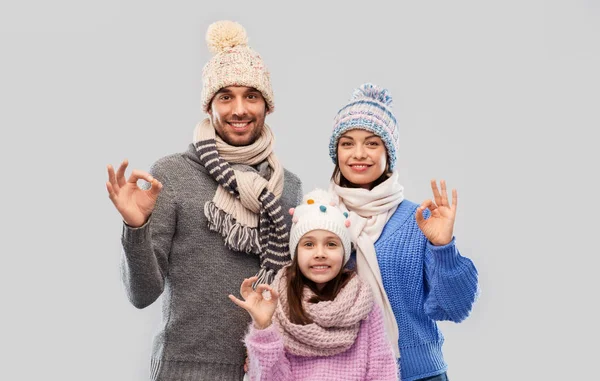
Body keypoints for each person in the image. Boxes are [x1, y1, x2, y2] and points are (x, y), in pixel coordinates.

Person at [105, 20, 302, 380]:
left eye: (251, 96)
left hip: (266, 369)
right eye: (225, 96)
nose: (239, 109)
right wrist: (137, 227)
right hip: (184, 371)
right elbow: (142, 294)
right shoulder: (173, 174)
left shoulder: (288, 188)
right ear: (208, 106)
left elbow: (294, 292)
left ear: (267, 106)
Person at [327, 83, 479, 381]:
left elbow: (456, 308)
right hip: (341, 372)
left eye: (372, 143)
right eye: (347, 143)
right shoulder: (320, 217)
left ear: (389, 154)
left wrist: (443, 246)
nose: (359, 154)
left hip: (417, 374)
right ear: (336, 152)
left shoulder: (418, 219)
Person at [230, 189, 399, 381]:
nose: (320, 253)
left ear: (344, 253)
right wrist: (263, 327)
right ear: (295, 252)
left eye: (331, 244)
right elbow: (268, 377)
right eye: (309, 244)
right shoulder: (276, 305)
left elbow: (383, 372)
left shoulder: (363, 306)